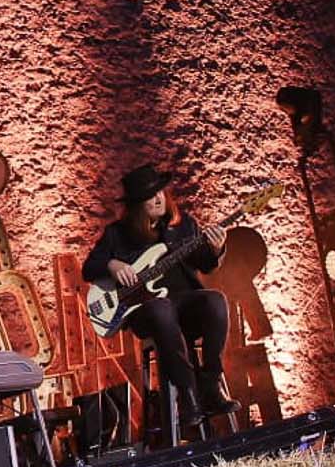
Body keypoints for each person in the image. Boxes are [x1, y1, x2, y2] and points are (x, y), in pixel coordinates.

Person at [82, 162, 235, 430]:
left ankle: (211, 383)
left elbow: (205, 265)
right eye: (149, 196)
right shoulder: (118, 234)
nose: (158, 198)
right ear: (136, 206)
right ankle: (188, 396)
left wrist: (216, 249)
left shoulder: (183, 226)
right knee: (161, 307)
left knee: (216, 300)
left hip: (185, 306)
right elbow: (88, 269)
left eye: (160, 192)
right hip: (146, 313)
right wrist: (112, 264)